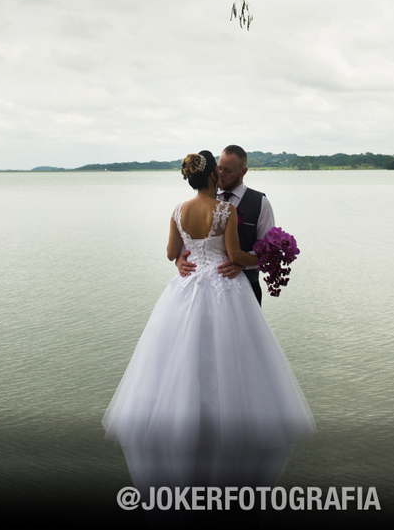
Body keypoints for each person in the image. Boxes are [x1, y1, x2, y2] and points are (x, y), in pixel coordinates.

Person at [102, 150, 314, 493]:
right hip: (225, 291)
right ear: (213, 175)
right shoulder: (225, 210)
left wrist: (186, 258)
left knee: (183, 361)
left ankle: (190, 441)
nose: (222, 173)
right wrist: (266, 255)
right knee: (232, 366)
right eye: (219, 169)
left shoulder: (177, 210)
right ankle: (225, 445)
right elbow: (233, 256)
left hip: (185, 292)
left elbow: (173, 253)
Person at [175, 144, 274, 304]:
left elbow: (269, 254)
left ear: (243, 172)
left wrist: (242, 265)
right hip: (204, 294)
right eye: (219, 168)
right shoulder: (203, 199)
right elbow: (189, 243)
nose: (220, 174)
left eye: (227, 171)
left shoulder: (260, 203)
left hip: (247, 291)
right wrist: (179, 260)